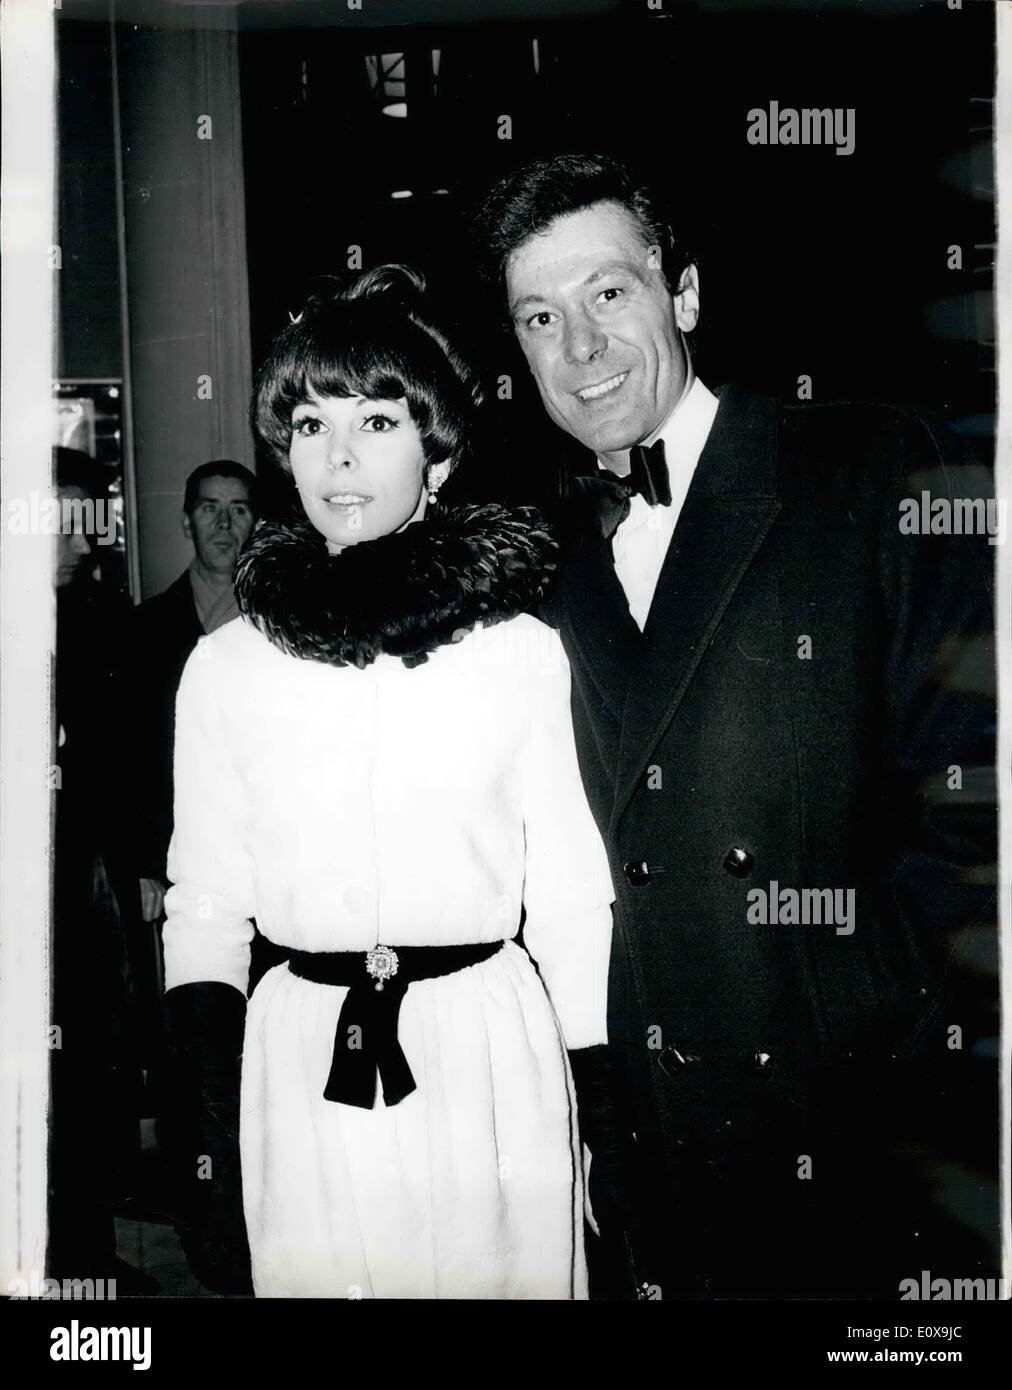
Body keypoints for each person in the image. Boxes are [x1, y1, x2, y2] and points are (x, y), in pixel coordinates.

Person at [472, 152, 998, 1299]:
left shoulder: (867, 464)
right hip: (659, 1153)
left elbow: (974, 813)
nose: (581, 349)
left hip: (856, 1145)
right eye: (540, 317)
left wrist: (885, 1045)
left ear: (686, 295)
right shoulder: (535, 559)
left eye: (610, 293)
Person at [160, 265, 614, 1299]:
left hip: (484, 1056)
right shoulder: (230, 664)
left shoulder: (515, 651)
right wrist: (205, 1126)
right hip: (298, 1062)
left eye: (376, 419)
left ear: (438, 453)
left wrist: (604, 1100)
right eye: (311, 426)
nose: (342, 454)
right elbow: (205, 902)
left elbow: (571, 897)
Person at [49, 447, 157, 1294]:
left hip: (83, 898)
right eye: (78, 517)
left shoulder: (89, 622)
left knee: (82, 1078)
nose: (94, 538)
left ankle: (79, 1256)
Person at [121, 461, 257, 924]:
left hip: (262, 859)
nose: (223, 524)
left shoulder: (282, 629)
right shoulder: (141, 631)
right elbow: (128, 756)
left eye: (238, 510)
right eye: (209, 509)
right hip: (178, 866)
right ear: (186, 521)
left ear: (256, 524)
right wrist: (141, 865)